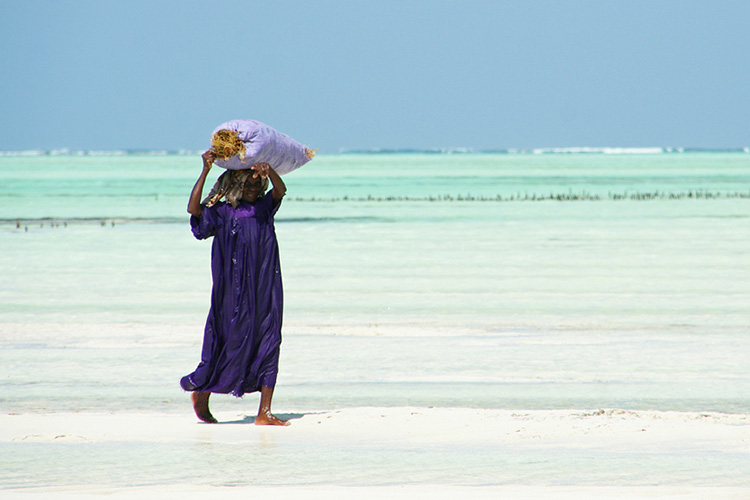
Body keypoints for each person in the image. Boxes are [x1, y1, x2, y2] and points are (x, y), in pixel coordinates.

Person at [180, 148, 289, 426]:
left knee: (269, 339)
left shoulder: (264, 208)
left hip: (266, 286)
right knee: (228, 338)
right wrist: (205, 171)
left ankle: (264, 412)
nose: (253, 187)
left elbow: (281, 190)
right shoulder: (222, 212)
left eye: (257, 183)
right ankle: (202, 391)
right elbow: (193, 209)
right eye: (247, 183)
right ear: (234, 185)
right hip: (231, 290)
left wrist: (269, 171)